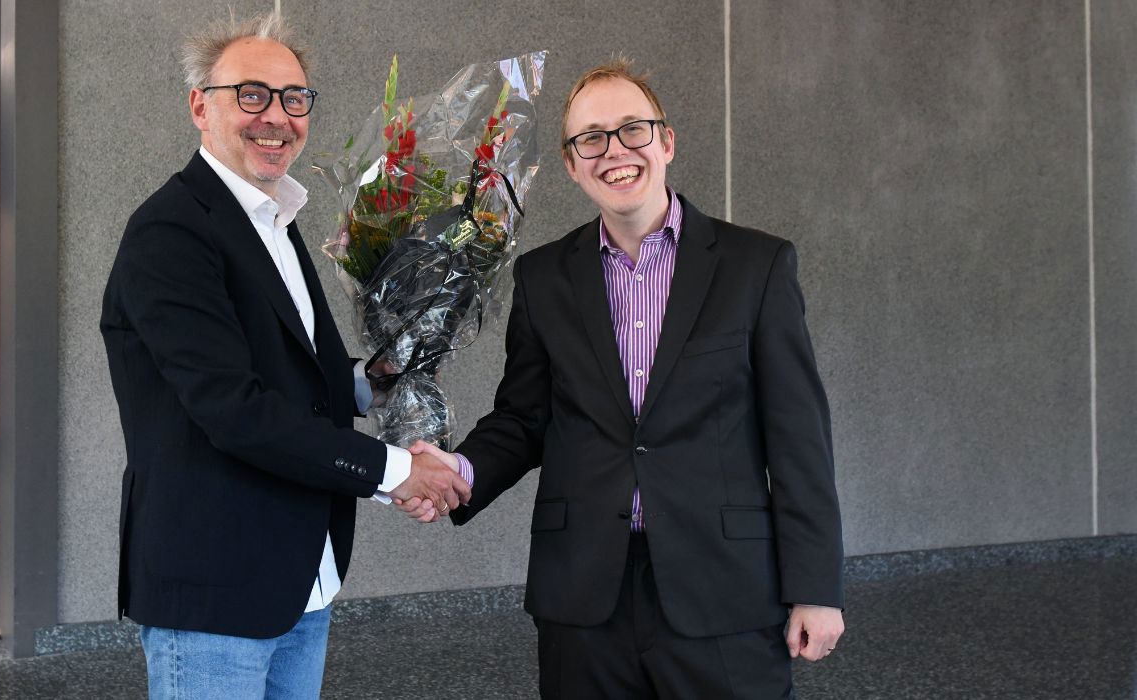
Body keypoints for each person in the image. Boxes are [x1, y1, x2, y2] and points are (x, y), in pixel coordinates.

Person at [402, 58, 846, 698]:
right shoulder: (544, 278)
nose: (614, 151)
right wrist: (456, 474)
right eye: (591, 138)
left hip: (723, 590)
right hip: (584, 596)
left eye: (632, 130)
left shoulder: (758, 266)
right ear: (571, 162)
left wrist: (815, 588)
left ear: (666, 141)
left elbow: (799, 438)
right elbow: (524, 419)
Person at [98, 13, 472, 699]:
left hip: (302, 571)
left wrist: (374, 380)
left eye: (293, 98)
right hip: (215, 588)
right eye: (252, 95)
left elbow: (291, 377)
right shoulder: (170, 232)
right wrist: (396, 471)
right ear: (199, 106)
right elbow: (234, 411)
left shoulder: (273, 220)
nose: (277, 116)